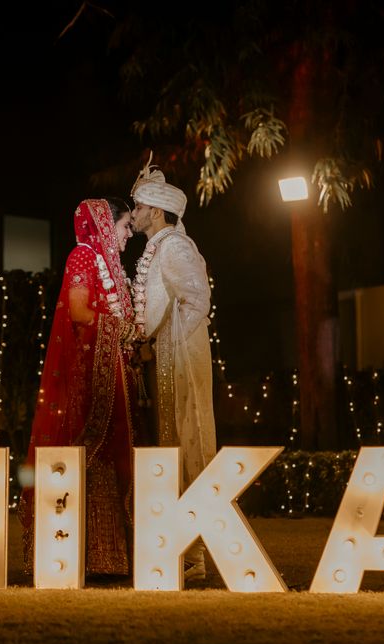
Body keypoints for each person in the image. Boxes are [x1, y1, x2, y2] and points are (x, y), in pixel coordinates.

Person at [19, 197, 138, 577]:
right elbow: (79, 310)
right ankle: (85, 555)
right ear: (106, 225)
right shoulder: (83, 257)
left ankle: (107, 556)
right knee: (92, 453)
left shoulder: (108, 265)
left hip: (109, 371)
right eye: (125, 226)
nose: (129, 234)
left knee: (108, 458)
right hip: (90, 378)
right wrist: (123, 328)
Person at [129, 153, 217, 581]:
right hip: (160, 361)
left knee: (189, 444)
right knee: (167, 450)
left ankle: (195, 556)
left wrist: (169, 343)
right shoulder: (157, 248)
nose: (135, 214)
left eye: (141, 207)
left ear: (158, 211)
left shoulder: (176, 246)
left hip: (179, 360)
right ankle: (175, 548)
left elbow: (197, 301)